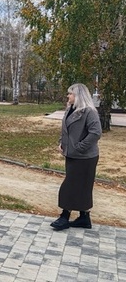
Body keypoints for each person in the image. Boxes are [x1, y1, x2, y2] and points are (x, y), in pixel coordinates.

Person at [50, 83, 102, 231]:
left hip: (85, 157)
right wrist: (62, 143)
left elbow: (96, 132)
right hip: (72, 155)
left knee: (70, 185)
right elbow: (65, 130)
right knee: (82, 187)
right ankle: (84, 218)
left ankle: (64, 217)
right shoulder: (70, 110)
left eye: (70, 94)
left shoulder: (89, 112)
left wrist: (80, 147)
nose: (68, 96)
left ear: (78, 95)